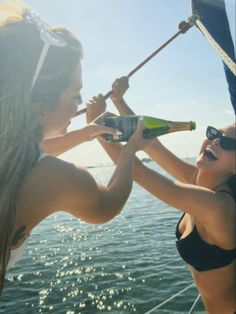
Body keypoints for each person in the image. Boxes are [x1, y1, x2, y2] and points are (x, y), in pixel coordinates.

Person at [0, 1, 150, 293]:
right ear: (39, 103)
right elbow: (108, 205)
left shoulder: (12, 150)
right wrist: (131, 148)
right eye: (75, 95)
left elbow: (33, 152)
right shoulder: (59, 179)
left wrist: (85, 133)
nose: (79, 106)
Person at [86, 76, 236, 314]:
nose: (216, 141)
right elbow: (150, 142)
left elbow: (139, 171)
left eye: (228, 144)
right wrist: (119, 101)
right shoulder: (199, 180)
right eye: (214, 133)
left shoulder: (217, 206)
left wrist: (94, 128)